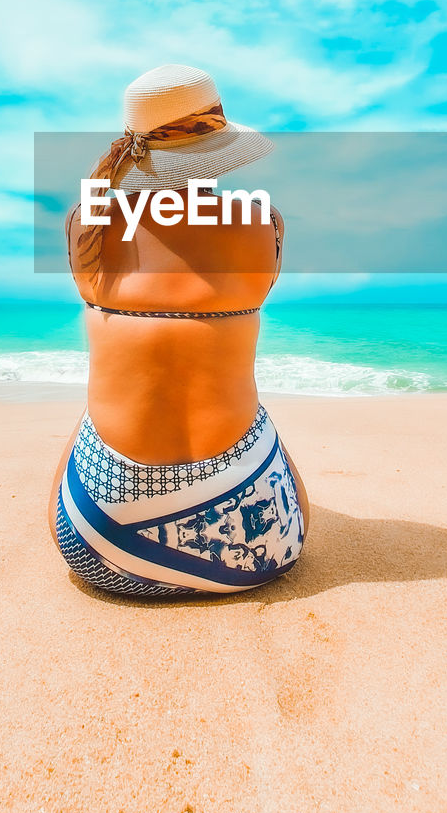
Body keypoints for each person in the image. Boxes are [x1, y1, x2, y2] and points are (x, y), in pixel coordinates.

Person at [48, 63, 309, 597]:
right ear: (217, 152)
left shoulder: (86, 224)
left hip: (99, 543)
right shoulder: (263, 225)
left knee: (99, 406)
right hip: (263, 549)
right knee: (243, 406)